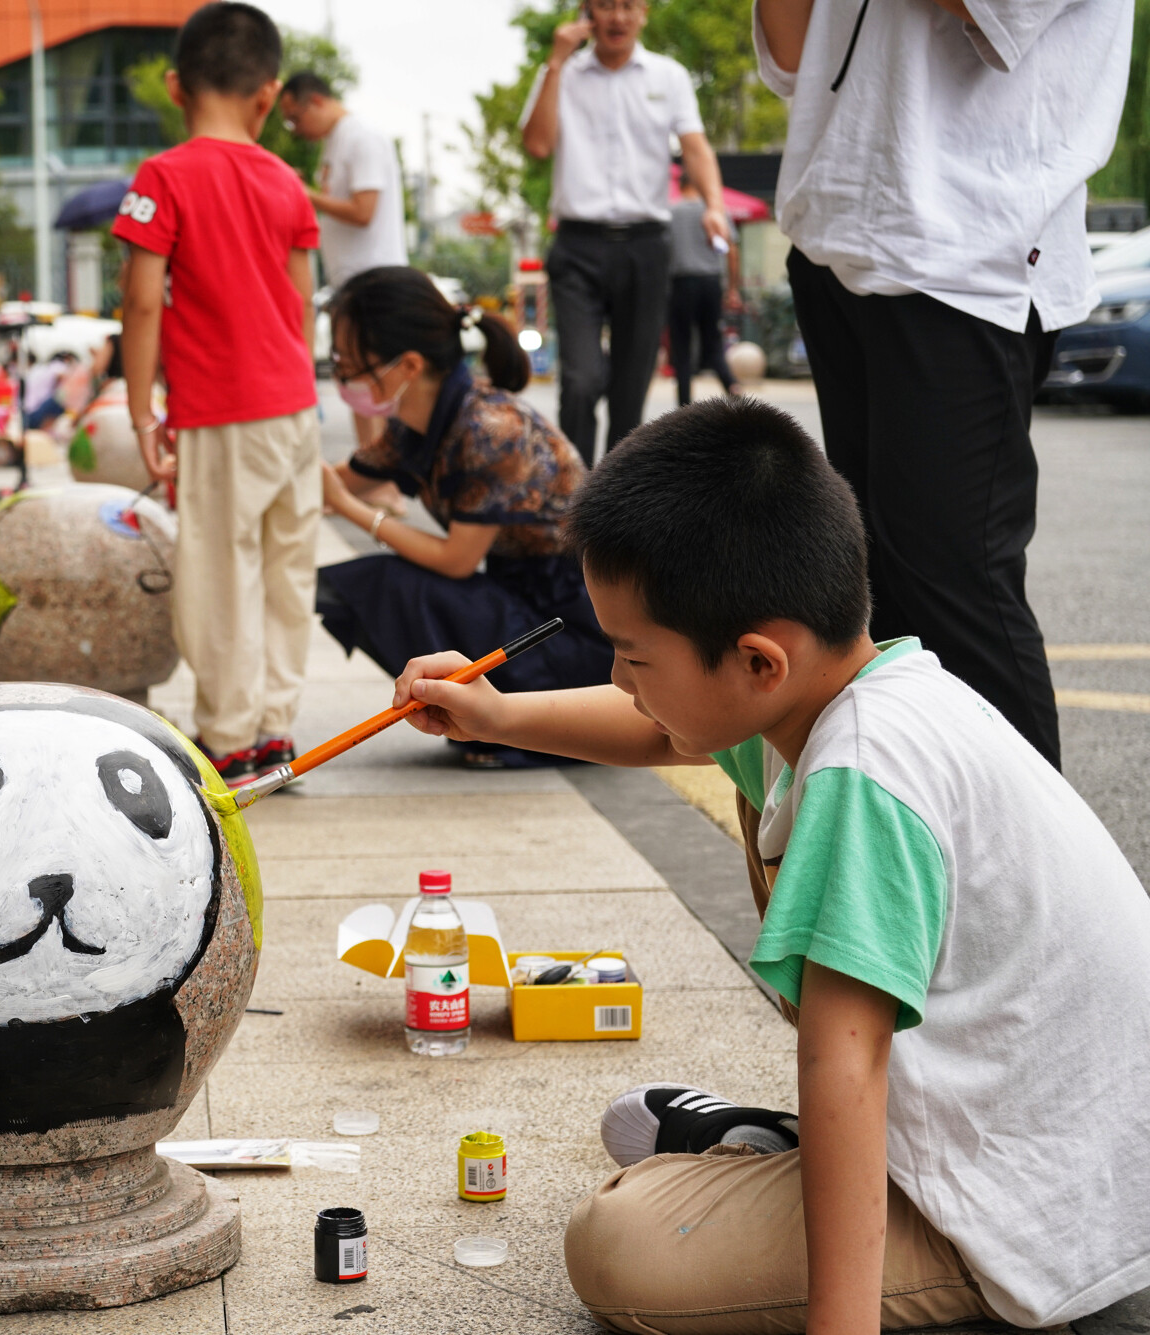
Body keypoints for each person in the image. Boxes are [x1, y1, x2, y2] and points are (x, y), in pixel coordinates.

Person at [396, 398, 1150, 1333]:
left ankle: (812, 1186)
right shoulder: (857, 695)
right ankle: (771, 1153)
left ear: (759, 660)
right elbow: (662, 729)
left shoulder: (862, 777)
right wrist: (501, 714)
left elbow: (845, 1059)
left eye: (633, 656)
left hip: (1038, 1209)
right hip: (1038, 1129)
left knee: (618, 1245)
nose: (624, 681)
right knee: (748, 804)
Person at [753, 0, 1132, 771]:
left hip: (968, 250)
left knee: (956, 593)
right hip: (842, 237)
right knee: (867, 598)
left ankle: (1033, 881)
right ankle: (911, 856)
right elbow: (792, 56)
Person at [113, 2, 321, 786]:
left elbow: (141, 302)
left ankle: (230, 739)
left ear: (176, 87)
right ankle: (276, 730)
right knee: (286, 570)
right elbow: (301, 304)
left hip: (220, 406)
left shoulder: (161, 178)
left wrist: (142, 411)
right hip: (293, 405)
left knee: (217, 570)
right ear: (268, 96)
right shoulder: (290, 183)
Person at [314, 267, 610, 767]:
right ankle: (485, 721)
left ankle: (520, 728)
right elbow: (339, 478)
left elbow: (455, 560)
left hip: (573, 624)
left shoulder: (491, 427)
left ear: (407, 365)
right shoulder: (417, 423)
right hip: (522, 597)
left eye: (349, 359)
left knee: (388, 584)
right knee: (360, 586)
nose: (339, 370)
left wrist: (351, 512)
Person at [520, 0, 731, 464]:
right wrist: (554, 61)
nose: (616, 17)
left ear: (645, 13)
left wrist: (713, 206)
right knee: (580, 380)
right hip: (577, 245)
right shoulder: (561, 73)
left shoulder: (668, 76)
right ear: (586, 13)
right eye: (604, 5)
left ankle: (613, 515)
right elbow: (536, 145)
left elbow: (695, 147)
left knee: (630, 388)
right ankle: (572, 500)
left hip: (646, 246)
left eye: (627, 5)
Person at [277, 71, 410, 452]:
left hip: (375, 280)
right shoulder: (337, 141)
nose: (295, 128)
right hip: (352, 282)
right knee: (358, 381)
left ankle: (385, 479)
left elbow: (364, 210)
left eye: (294, 118)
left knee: (375, 382)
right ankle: (372, 470)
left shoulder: (361, 136)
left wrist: (305, 194)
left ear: (316, 101)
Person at [665, 169, 739, 406]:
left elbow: (662, 253)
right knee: (713, 341)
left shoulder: (670, 213)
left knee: (682, 347)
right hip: (710, 282)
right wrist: (732, 288)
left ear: (680, 185)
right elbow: (732, 251)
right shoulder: (715, 212)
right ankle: (732, 386)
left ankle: (684, 405)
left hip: (680, 284)